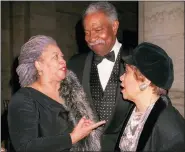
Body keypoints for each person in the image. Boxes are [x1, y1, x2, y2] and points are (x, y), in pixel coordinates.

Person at [8, 35, 106, 152]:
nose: (63, 61)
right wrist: (72, 138)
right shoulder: (23, 99)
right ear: (38, 65)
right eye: (55, 57)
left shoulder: (72, 89)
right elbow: (26, 147)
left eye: (62, 56)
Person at [67, 2, 134, 148]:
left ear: (114, 26)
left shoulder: (138, 59)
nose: (91, 38)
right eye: (87, 32)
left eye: (97, 29)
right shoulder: (74, 64)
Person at [105, 42, 184, 151]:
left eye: (127, 72)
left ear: (145, 81)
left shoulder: (171, 130)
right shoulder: (135, 110)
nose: (121, 78)